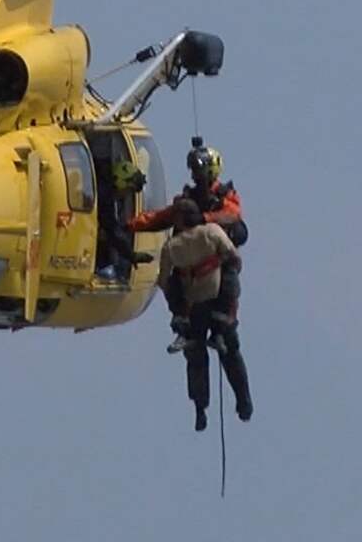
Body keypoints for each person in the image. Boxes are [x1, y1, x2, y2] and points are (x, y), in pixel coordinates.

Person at [130, 138, 247, 349]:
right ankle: (183, 325)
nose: (195, 176)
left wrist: (204, 219)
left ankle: (222, 328)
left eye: (198, 170)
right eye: (193, 171)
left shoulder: (224, 198)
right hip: (192, 274)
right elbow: (159, 218)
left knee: (228, 281)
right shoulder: (186, 201)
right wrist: (130, 225)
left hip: (216, 267)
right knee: (176, 288)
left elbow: (233, 214)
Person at [157, 198, 253, 430]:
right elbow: (234, 258)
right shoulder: (212, 232)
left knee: (196, 356)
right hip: (218, 299)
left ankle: (200, 409)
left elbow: (163, 280)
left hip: (194, 305)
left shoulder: (172, 246)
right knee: (231, 354)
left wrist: (179, 306)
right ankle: (243, 402)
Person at [95, 158, 155, 281]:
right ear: (122, 183)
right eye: (129, 190)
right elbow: (112, 230)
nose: (127, 194)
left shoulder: (104, 189)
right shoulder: (104, 197)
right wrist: (131, 255)